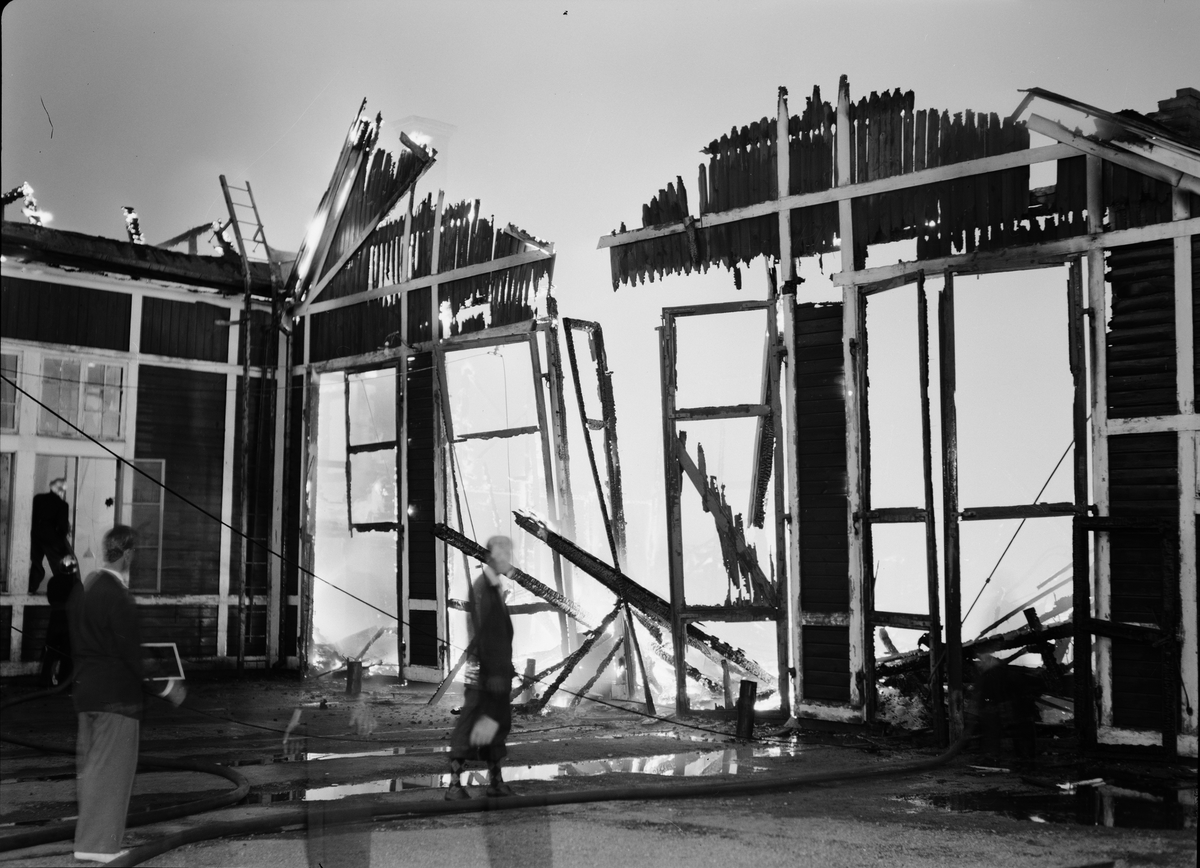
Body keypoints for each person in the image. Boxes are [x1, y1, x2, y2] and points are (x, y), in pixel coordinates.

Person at [67, 525, 185, 864]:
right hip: (116, 700)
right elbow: (133, 654)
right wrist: (167, 687)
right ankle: (100, 847)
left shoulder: (87, 588)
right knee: (112, 772)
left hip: (85, 695)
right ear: (129, 554)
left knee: (93, 770)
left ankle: (89, 840)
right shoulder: (118, 596)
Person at [445, 535, 516, 800]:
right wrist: (494, 672)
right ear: (490, 557)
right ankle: (454, 786)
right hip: (484, 673)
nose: (507, 558)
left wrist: (505, 669)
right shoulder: (484, 588)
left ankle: (495, 782)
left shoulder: (493, 586)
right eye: (502, 553)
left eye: (508, 553)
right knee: (470, 725)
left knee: (496, 724)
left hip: (494, 671)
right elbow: (484, 634)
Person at [29, 477, 73, 595]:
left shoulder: (38, 499)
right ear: (62, 490)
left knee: (36, 563)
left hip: (36, 534)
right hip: (52, 537)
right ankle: (63, 590)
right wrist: (62, 539)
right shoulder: (62, 505)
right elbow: (62, 526)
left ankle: (31, 587)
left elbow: (31, 516)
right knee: (58, 565)